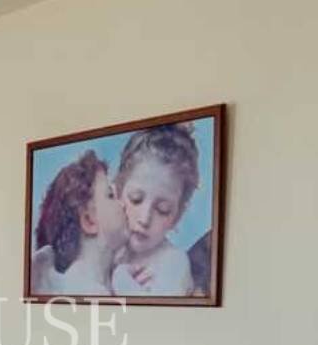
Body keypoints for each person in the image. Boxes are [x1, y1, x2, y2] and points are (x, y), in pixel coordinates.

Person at [110, 123, 200, 297]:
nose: (144, 219)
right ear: (118, 192)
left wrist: (122, 280)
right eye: (136, 199)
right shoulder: (109, 249)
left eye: (162, 209)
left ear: (178, 215)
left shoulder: (173, 263)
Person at [30, 150, 127, 296]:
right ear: (89, 221)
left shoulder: (106, 284)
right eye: (110, 195)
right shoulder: (83, 289)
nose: (123, 205)